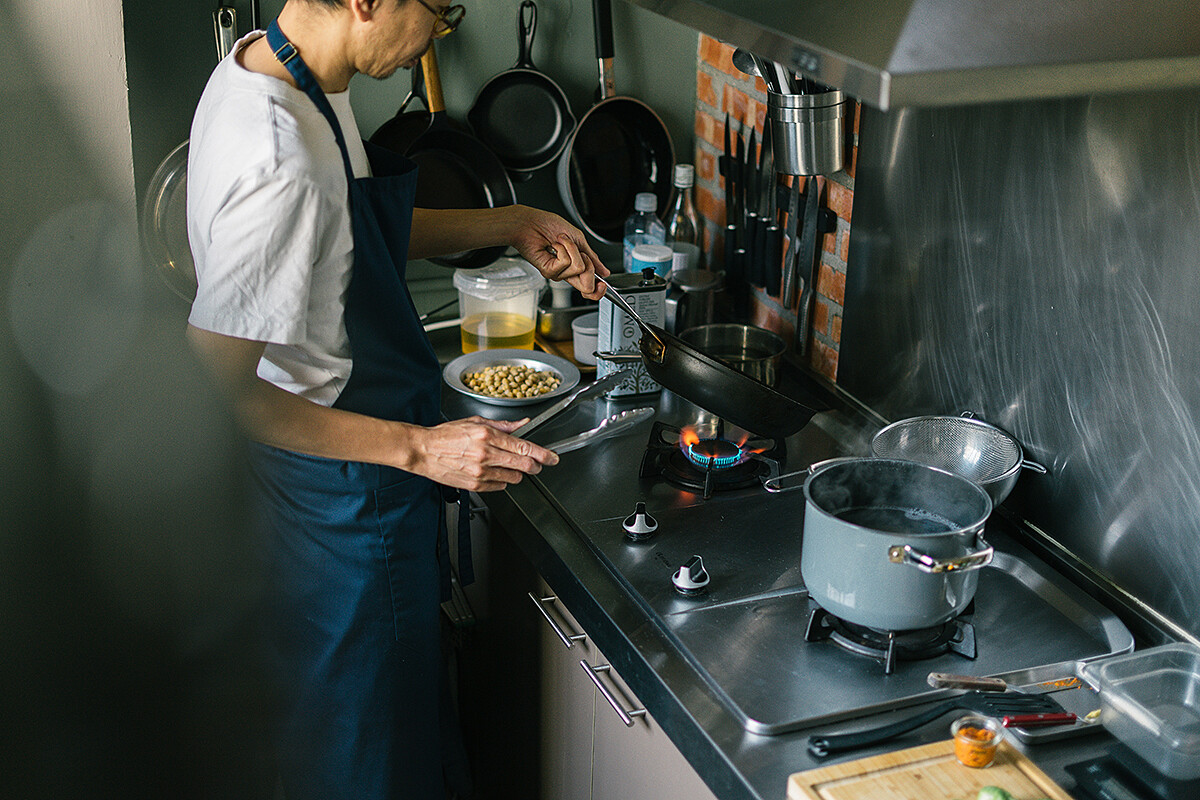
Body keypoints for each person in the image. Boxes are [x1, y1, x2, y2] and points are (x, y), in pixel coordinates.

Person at [184, 1, 609, 798]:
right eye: (440, 9)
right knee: (365, 760)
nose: (442, 33)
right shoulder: (279, 163)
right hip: (343, 500)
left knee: (396, 739)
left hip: (360, 476)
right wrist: (422, 449)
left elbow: (353, 230)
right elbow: (218, 392)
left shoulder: (281, 72)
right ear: (367, 1)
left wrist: (509, 222)